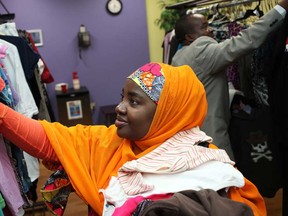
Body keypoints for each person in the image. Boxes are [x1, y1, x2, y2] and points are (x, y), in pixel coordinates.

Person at [0, 62, 266, 216]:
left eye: (134, 101)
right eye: (122, 97)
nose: (120, 107)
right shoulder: (105, 141)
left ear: (167, 114)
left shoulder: (212, 169)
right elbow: (46, 138)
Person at [171, 0, 288, 160]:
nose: (211, 29)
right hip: (211, 140)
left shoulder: (178, 56)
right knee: (228, 182)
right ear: (190, 37)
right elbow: (245, 40)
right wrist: (280, 10)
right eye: (204, 27)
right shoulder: (201, 51)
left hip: (190, 139)